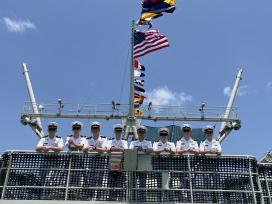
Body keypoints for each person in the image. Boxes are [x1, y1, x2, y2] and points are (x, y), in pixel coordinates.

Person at [82, 121, 107, 200]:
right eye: (94, 128)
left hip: (101, 160)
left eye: (96, 128)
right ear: (91, 130)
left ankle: (98, 198)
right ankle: (91, 198)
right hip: (92, 160)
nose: (95, 130)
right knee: (91, 180)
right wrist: (87, 148)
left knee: (99, 180)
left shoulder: (103, 138)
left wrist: (94, 148)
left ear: (99, 129)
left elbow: (104, 149)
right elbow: (84, 149)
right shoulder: (88, 139)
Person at [107, 124, 127, 201]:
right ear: (114, 132)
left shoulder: (124, 142)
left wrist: (114, 148)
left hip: (121, 166)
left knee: (120, 185)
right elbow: (108, 149)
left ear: (122, 132)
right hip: (111, 166)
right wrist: (120, 148)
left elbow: (125, 150)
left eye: (119, 131)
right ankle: (111, 200)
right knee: (111, 185)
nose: (118, 132)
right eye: (117, 131)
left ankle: (121, 200)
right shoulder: (110, 141)